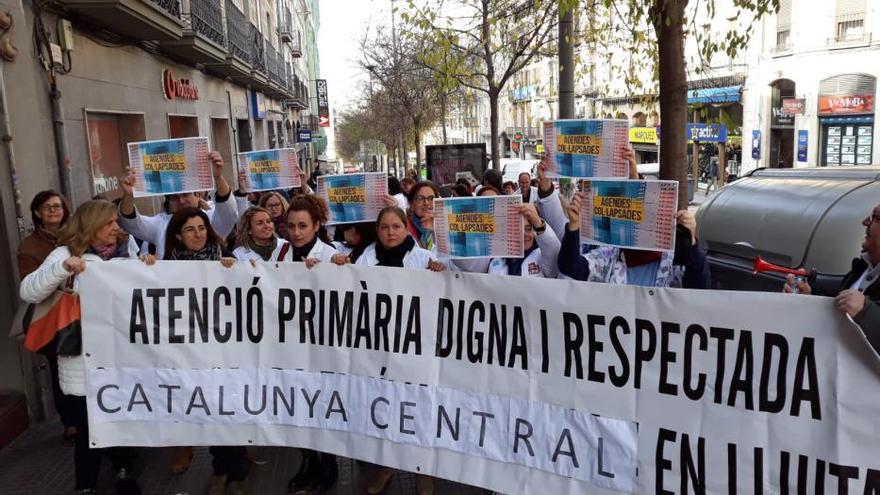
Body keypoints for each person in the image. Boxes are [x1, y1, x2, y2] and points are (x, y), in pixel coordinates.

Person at [20, 200, 143, 495]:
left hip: (120, 353)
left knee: (120, 418)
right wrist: (62, 269)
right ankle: (85, 484)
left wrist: (148, 266)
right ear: (91, 225)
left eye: (116, 221)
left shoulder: (128, 250)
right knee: (89, 428)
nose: (117, 227)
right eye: (110, 222)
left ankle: (123, 471)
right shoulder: (64, 253)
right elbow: (28, 290)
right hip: (82, 360)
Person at [160, 207, 246, 494]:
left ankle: (235, 474)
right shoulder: (165, 267)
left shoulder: (225, 260)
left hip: (226, 349)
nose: (197, 235)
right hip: (190, 351)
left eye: (201, 228)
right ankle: (219, 468)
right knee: (209, 410)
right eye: (189, 230)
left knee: (229, 408)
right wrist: (145, 268)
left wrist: (235, 272)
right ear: (177, 236)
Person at [555, 148, 711, 289]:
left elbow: (699, 288)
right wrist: (574, 227)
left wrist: (691, 242)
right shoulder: (611, 257)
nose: (640, 225)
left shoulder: (673, 260)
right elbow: (570, 267)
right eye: (633, 218)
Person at [784, 203, 880, 355]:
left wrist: (865, 312)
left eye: (875, 218)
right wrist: (809, 301)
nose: (865, 222)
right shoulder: (864, 267)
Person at [118, 151, 238, 260]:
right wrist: (128, 195)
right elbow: (132, 224)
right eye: (174, 197)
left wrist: (218, 178)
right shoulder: (161, 224)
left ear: (198, 195)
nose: (181, 201)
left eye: (186, 194)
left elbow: (229, 213)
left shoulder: (210, 220)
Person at [355, 207, 445, 271]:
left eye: (396, 226)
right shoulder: (365, 260)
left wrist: (437, 273)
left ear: (406, 229)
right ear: (377, 230)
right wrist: (343, 267)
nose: (390, 232)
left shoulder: (425, 258)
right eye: (384, 227)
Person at [274, 195, 338, 265]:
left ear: (316, 225)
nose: (296, 233)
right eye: (291, 226)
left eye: (302, 226)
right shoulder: (279, 252)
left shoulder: (329, 256)